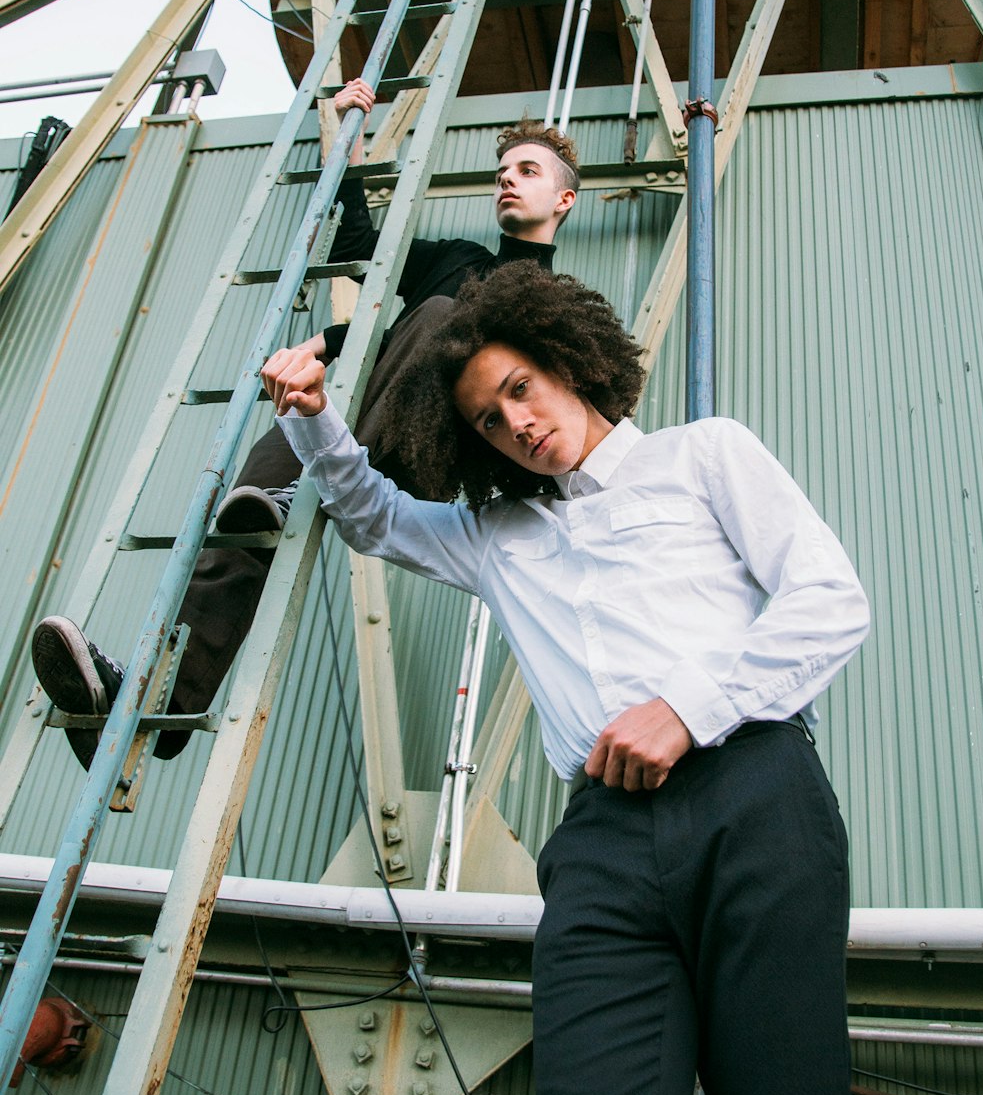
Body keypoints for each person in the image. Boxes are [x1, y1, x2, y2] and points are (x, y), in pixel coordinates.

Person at [264, 261, 870, 1095]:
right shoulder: (494, 535)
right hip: (601, 847)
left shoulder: (703, 457)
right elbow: (370, 515)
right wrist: (310, 416)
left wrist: (687, 709)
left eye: (519, 390)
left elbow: (830, 600)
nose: (517, 425)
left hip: (755, 799)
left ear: (564, 362)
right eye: (490, 424)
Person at [31, 83, 580, 762]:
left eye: (527, 172)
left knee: (442, 321)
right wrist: (344, 132)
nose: (507, 181)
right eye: (503, 172)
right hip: (349, 417)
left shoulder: (553, 305)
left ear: (563, 199)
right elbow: (361, 253)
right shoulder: (457, 260)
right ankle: (152, 706)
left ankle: (319, 480)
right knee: (248, 504)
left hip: (424, 462)